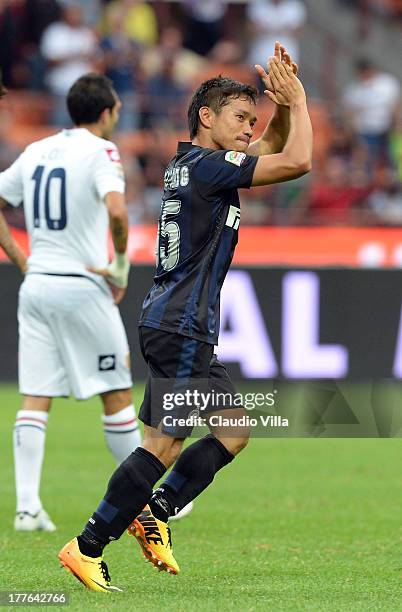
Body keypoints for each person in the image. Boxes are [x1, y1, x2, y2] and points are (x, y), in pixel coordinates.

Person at [58, 42, 313, 592]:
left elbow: (269, 148)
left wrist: (283, 106)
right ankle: (87, 544)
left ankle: (156, 512)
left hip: (175, 322)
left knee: (234, 429)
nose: (251, 127)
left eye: (253, 117)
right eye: (241, 118)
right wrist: (303, 103)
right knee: (163, 445)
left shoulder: (191, 164)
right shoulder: (209, 167)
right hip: (182, 325)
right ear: (206, 117)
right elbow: (296, 161)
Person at [0, 73, 141, 532]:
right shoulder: (102, 152)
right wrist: (119, 265)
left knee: (35, 396)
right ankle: (145, 498)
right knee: (116, 390)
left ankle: (26, 508)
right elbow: (118, 212)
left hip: (37, 285)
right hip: (81, 285)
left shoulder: (36, 150)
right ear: (106, 113)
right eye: (117, 110)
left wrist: (21, 258)